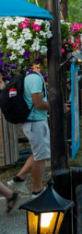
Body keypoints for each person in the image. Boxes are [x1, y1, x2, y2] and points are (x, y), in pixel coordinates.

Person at [7, 59, 52, 198]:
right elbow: (38, 103)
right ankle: (37, 191)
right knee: (41, 156)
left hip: (37, 121)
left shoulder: (34, 76)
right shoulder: (34, 78)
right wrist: (56, 107)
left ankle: (18, 179)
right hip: (35, 122)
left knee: (40, 153)